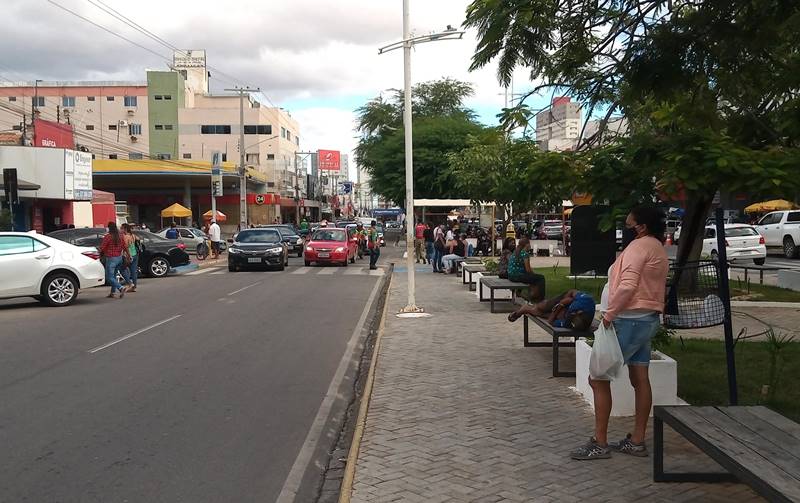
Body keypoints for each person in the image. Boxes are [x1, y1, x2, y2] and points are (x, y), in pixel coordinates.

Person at [570, 205, 669, 461]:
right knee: (640, 377)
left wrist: (609, 314)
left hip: (628, 320)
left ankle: (600, 443)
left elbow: (628, 285)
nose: (626, 228)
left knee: (598, 378)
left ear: (641, 226)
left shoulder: (638, 247)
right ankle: (636, 440)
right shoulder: (656, 247)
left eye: (629, 224)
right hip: (645, 319)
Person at [507, 289, 595, 330]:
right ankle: (525, 308)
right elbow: (571, 292)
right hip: (563, 300)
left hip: (561, 310)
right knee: (541, 307)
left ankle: (525, 309)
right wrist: (561, 303)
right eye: (571, 314)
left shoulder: (569, 322)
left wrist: (557, 310)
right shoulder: (586, 300)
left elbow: (550, 321)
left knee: (539, 313)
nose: (570, 315)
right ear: (579, 311)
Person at [100, 222, 128, 299]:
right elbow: (125, 246)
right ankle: (112, 292)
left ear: (109, 228)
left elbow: (102, 247)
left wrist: (100, 254)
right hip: (119, 258)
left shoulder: (108, 236)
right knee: (114, 276)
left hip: (111, 258)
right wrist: (128, 255)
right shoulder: (120, 236)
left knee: (109, 277)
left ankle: (121, 287)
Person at [120, 223, 140, 293]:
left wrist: (128, 254)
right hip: (135, 254)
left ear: (125, 229)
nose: (120, 230)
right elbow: (139, 239)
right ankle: (134, 287)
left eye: (121, 228)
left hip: (128, 255)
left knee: (122, 269)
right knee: (133, 271)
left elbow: (125, 247)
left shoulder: (125, 236)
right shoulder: (133, 235)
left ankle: (130, 283)